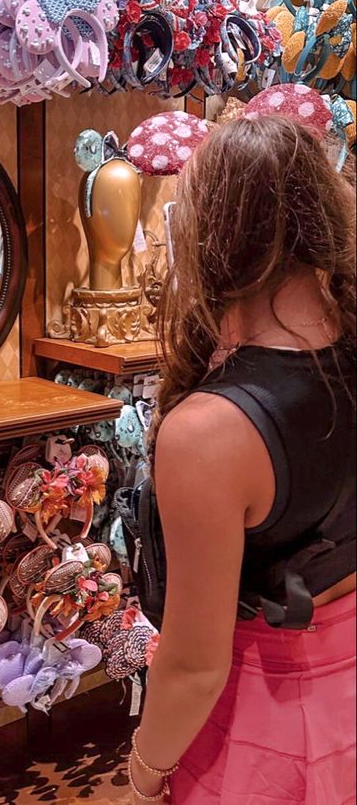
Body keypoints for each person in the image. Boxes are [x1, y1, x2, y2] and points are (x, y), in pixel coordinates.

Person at [127, 116, 356, 804]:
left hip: (268, 719)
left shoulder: (211, 433)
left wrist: (141, 776)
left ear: (211, 238)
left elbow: (197, 667)